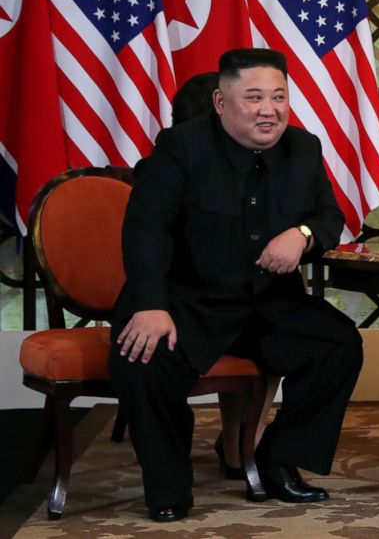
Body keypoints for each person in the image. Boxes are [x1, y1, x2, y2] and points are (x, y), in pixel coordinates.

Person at [109, 48, 364, 522]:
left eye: (279, 97)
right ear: (221, 102)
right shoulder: (181, 147)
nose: (269, 110)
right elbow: (145, 228)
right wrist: (149, 304)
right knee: (143, 358)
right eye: (254, 97)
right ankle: (168, 486)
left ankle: (278, 460)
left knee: (339, 345)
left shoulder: (303, 148)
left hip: (268, 303)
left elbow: (329, 217)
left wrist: (302, 235)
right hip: (189, 300)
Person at [169, 71, 281, 482]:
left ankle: (242, 437)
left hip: (238, 299)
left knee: (273, 317)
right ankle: (236, 440)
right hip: (182, 306)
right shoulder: (164, 174)